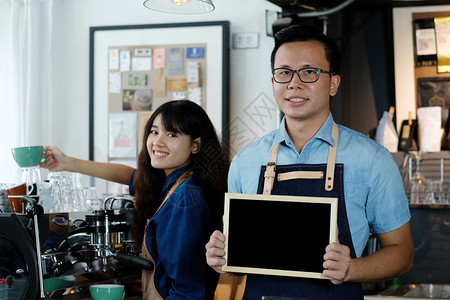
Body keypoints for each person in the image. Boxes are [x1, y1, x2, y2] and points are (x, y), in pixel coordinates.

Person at [205, 24, 414, 299]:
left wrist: (351, 269)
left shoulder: (373, 160)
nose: (294, 83)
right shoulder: (245, 161)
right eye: (284, 73)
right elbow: (237, 267)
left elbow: (402, 253)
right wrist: (222, 258)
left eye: (309, 72)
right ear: (273, 83)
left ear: (333, 83)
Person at [43, 100, 229, 299]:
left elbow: (188, 290)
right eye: (154, 131)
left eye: (172, 134)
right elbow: (131, 176)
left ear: (195, 145)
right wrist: (67, 162)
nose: (157, 142)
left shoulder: (184, 199)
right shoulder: (174, 182)